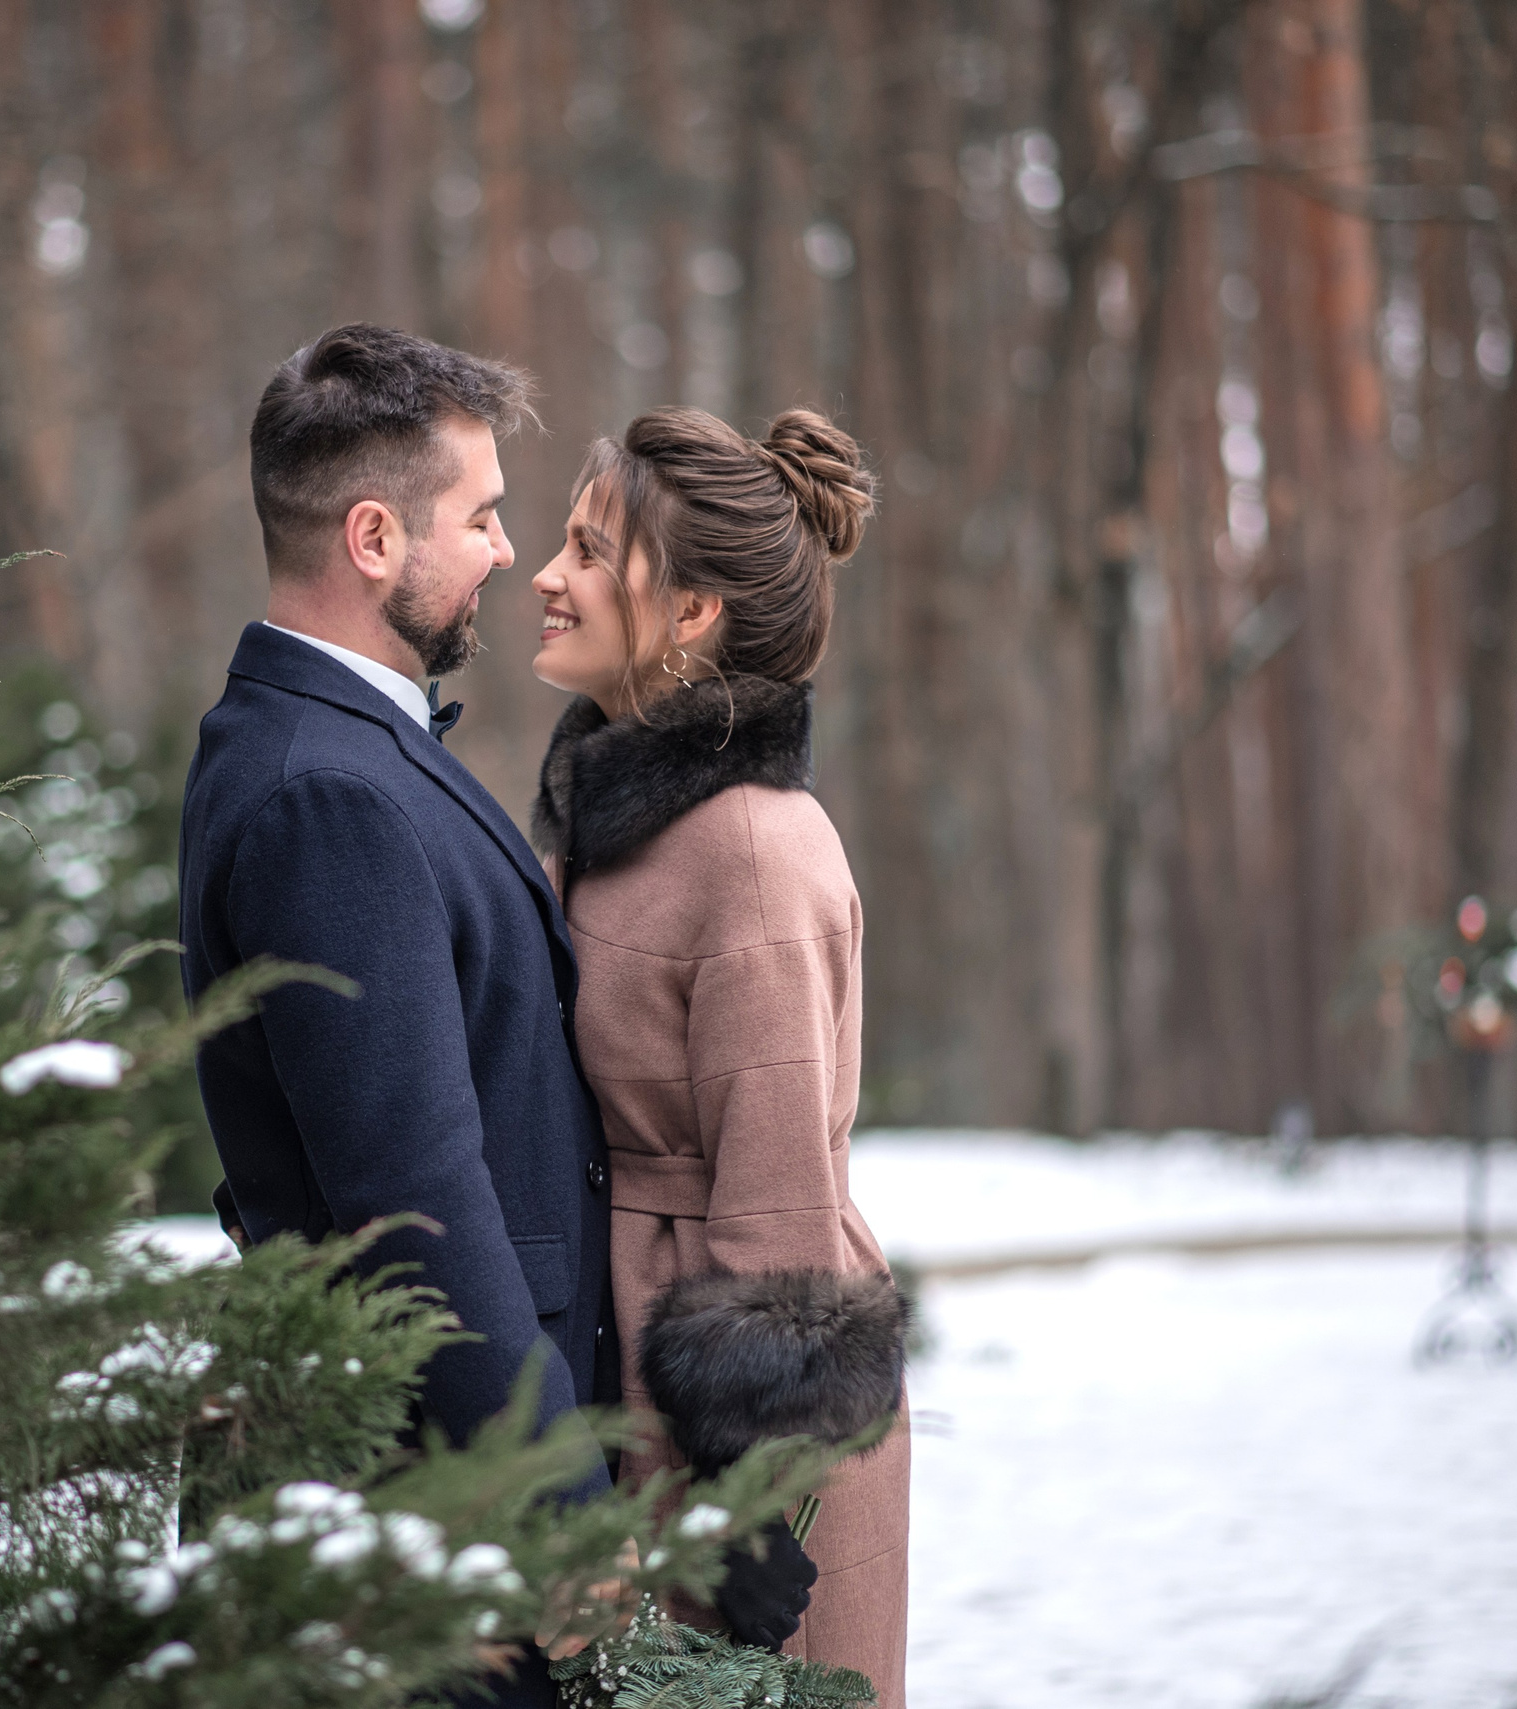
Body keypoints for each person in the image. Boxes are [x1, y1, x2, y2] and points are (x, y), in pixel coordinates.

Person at [177, 324, 619, 1706]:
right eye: (481, 515)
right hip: (426, 1507)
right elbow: (415, 1199)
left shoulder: (317, 741)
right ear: (374, 537)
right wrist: (559, 1499)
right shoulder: (330, 794)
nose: (506, 549)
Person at [527, 405, 911, 1704]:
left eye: (589, 550)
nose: (545, 573)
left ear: (691, 614)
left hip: (750, 1432)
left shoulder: (752, 847)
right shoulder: (619, 816)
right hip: (639, 1383)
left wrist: (751, 1498)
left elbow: (777, 1192)